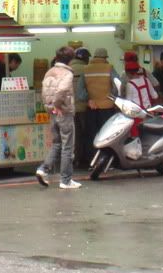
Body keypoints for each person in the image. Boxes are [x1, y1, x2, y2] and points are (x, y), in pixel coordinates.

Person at [36, 46, 80, 189]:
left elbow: (43, 91)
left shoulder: (49, 72)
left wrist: (50, 107)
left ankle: (43, 169)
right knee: (68, 146)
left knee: (57, 143)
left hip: (52, 113)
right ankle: (66, 180)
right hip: (64, 112)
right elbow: (62, 90)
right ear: (70, 60)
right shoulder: (67, 74)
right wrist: (57, 105)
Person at [85, 48, 121, 151]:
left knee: (92, 134)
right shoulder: (109, 68)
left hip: (91, 107)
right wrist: (113, 96)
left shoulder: (86, 69)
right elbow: (118, 83)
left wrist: (88, 99)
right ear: (105, 57)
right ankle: (106, 155)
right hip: (107, 107)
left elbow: (80, 90)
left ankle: (93, 156)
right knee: (107, 134)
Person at [122, 51, 158, 140]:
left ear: (127, 72)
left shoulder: (130, 84)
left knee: (137, 139)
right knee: (148, 137)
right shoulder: (146, 79)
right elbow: (155, 96)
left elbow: (128, 103)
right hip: (149, 113)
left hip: (137, 116)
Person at [70, 47, 91, 168]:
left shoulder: (68, 69)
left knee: (75, 135)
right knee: (86, 133)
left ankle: (76, 159)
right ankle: (86, 159)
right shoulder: (86, 69)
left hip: (71, 108)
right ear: (85, 58)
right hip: (84, 107)